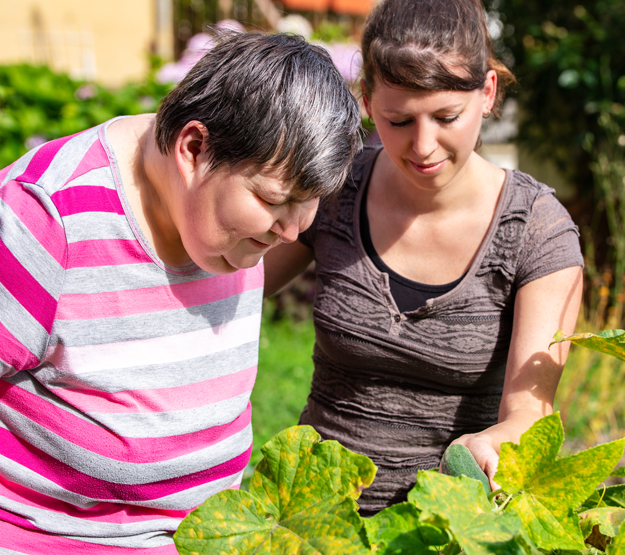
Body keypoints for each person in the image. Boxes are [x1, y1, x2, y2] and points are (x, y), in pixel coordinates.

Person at [0, 31, 361, 552]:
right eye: (275, 200)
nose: (290, 232)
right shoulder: (47, 218)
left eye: (310, 202)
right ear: (194, 149)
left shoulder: (228, 225)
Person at [264, 0, 584, 515]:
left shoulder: (537, 231)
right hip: (313, 517)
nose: (423, 146)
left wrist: (496, 439)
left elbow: (530, 411)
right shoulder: (336, 191)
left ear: (487, 93)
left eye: (446, 117)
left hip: (445, 529)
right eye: (398, 120)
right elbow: (232, 284)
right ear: (367, 101)